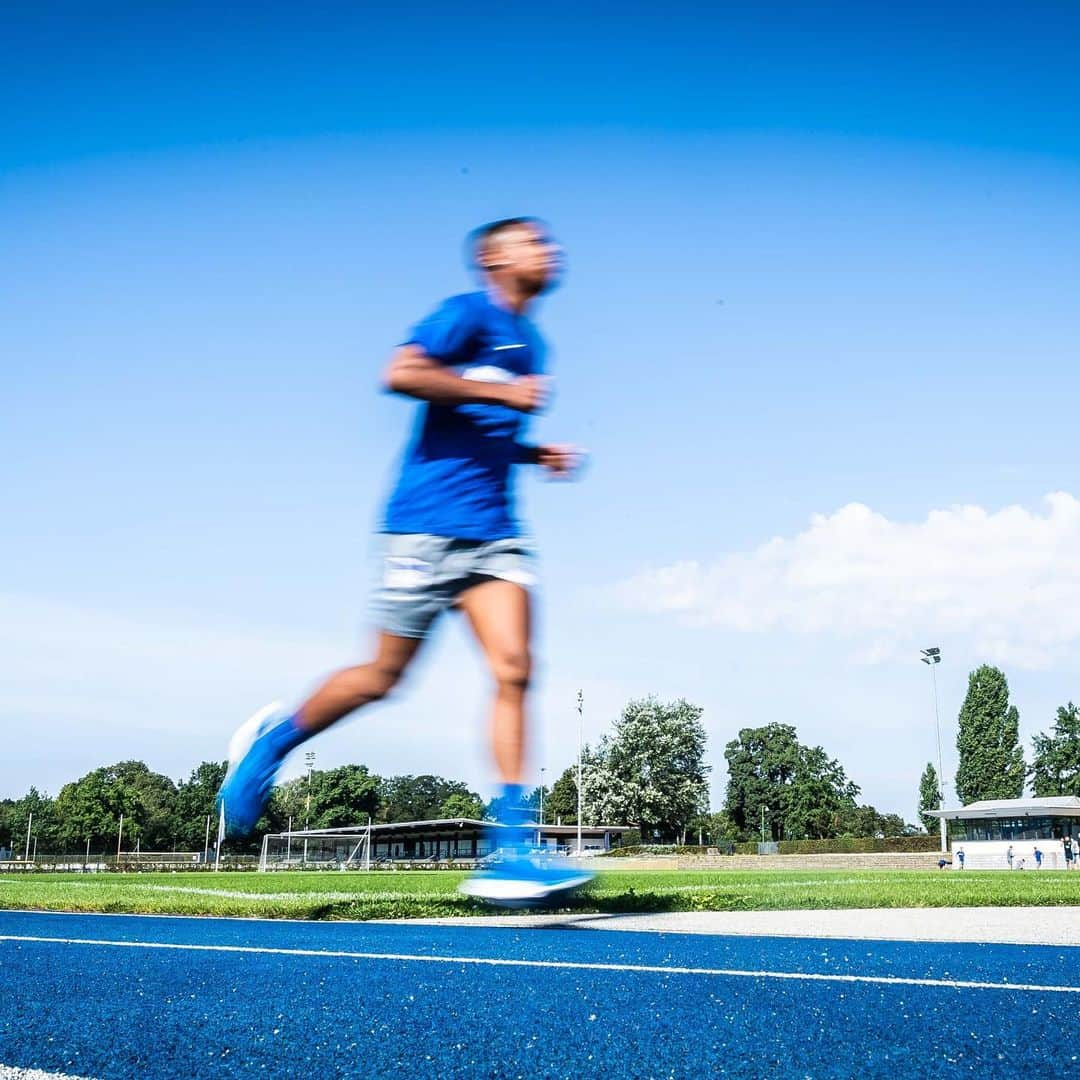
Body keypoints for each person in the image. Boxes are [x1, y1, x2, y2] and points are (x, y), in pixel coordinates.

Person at [215, 217, 593, 904]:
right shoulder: (465, 314)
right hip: (422, 528)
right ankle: (273, 744)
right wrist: (503, 393)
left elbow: (485, 438)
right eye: (532, 240)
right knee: (383, 677)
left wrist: (538, 453)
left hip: (495, 536)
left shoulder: (533, 341)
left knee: (515, 668)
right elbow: (402, 371)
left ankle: (510, 849)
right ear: (495, 257)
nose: (549, 248)